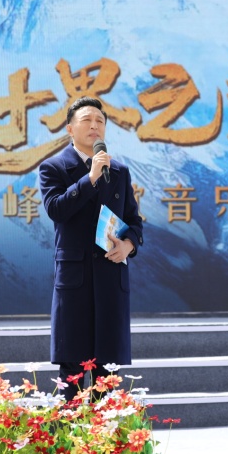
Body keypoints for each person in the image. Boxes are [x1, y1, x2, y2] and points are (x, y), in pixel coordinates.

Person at [39, 96, 143, 402]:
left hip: (111, 280)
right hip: (76, 283)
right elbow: (57, 210)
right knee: (71, 375)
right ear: (70, 129)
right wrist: (90, 178)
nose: (94, 126)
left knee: (107, 376)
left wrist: (128, 245)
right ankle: (66, 434)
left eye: (100, 121)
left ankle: (106, 435)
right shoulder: (53, 167)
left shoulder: (119, 171)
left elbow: (134, 222)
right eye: (87, 120)